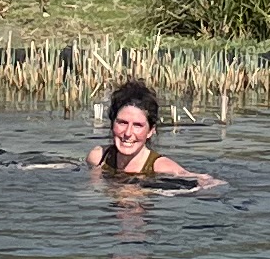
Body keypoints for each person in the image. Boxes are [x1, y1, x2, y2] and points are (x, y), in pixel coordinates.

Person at [84, 81, 217, 189]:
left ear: (151, 131)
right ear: (112, 124)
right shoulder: (98, 158)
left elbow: (209, 182)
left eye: (138, 125)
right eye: (122, 123)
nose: (128, 133)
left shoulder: (161, 167)